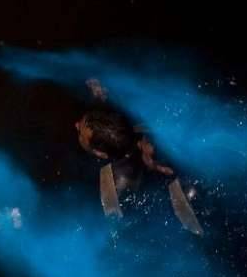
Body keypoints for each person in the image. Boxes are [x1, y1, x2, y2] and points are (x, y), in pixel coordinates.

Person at [75, 79, 203, 235]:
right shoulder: (145, 131)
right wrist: (101, 101)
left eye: (80, 132)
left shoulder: (117, 187)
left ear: (100, 153)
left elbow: (117, 233)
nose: (76, 125)